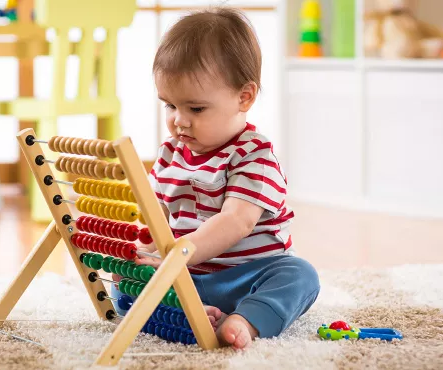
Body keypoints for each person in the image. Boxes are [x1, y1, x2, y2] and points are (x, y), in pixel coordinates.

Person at [112, 7, 320, 350]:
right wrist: (141, 254)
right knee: (123, 283)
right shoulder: (169, 154)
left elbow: (236, 221)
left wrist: (179, 255)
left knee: (300, 276)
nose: (179, 120)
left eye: (195, 109)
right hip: (185, 277)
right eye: (169, 105)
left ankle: (246, 319)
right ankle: (189, 313)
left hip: (248, 275)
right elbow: (157, 219)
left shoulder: (255, 156)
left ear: (244, 97)